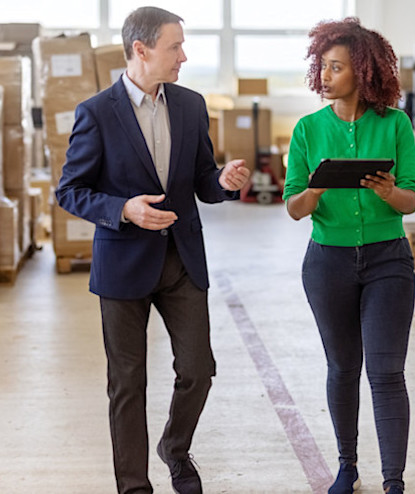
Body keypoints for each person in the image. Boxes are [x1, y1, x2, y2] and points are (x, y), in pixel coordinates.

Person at [55, 6, 251, 494]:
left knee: (198, 370)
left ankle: (175, 448)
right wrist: (124, 209)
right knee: (127, 384)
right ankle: (134, 487)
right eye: (175, 46)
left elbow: (204, 180)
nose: (184, 56)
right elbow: (70, 190)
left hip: (182, 260)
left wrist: (224, 182)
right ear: (140, 50)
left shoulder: (190, 105)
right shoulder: (97, 113)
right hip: (124, 265)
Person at [282, 17, 415, 494]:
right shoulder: (306, 130)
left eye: (335, 67)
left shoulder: (396, 124)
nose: (324, 75)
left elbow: (412, 200)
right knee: (342, 368)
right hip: (328, 264)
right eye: (322, 66)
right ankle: (347, 466)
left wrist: (388, 191)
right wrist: (317, 187)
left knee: (386, 372)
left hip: (388, 261)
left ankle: (394, 480)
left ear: (361, 72)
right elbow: (294, 208)